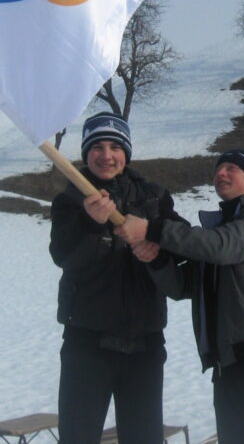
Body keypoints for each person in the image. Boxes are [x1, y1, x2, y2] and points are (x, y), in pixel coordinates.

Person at [117, 149, 244, 444]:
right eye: (218, 169)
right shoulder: (216, 232)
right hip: (226, 361)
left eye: (232, 168)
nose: (221, 174)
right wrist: (156, 260)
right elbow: (183, 287)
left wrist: (152, 228)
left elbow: (222, 247)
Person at [48, 112, 184, 444]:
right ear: (86, 153)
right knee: (78, 436)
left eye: (114, 147)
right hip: (87, 342)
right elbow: (63, 256)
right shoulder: (70, 200)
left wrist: (157, 248)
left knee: (144, 437)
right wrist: (89, 223)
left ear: (126, 152)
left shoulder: (154, 197)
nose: (106, 155)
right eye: (97, 147)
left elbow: (182, 244)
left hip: (145, 342)